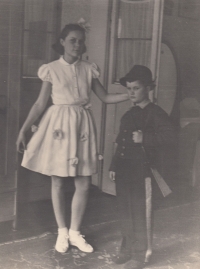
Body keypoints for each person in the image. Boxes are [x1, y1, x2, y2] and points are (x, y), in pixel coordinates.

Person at [16, 23, 128, 254]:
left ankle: (76, 233)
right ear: (63, 42)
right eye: (72, 40)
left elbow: (105, 97)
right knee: (57, 180)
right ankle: (62, 232)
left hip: (82, 126)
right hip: (59, 127)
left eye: (80, 41)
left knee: (84, 182)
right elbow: (40, 104)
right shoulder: (51, 69)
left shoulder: (89, 69)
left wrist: (132, 95)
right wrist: (23, 130)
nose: (77, 45)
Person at [109, 65, 176, 268]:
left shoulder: (156, 113)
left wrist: (144, 138)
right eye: (129, 88)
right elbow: (119, 142)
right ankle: (127, 249)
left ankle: (141, 254)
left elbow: (171, 137)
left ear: (148, 88)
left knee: (141, 212)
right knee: (125, 211)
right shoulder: (128, 115)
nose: (131, 92)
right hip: (124, 171)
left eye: (136, 88)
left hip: (143, 172)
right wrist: (113, 165)